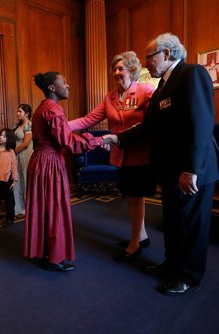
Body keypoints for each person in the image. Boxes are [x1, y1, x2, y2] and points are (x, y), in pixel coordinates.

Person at [104, 33, 219, 296]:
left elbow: (202, 123)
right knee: (173, 221)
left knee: (191, 223)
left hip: (192, 169)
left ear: (166, 55)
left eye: (149, 57)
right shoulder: (162, 87)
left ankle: (189, 275)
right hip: (169, 171)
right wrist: (118, 138)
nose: (146, 64)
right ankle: (172, 264)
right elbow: (148, 126)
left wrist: (191, 169)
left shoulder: (192, 74)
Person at [68, 51, 155, 262]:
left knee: (135, 197)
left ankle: (135, 243)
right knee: (130, 197)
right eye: (114, 69)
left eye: (120, 68)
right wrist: (60, 126)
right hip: (120, 156)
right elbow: (88, 119)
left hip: (140, 154)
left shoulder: (146, 90)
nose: (116, 72)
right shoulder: (110, 97)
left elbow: (153, 122)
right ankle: (141, 236)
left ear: (132, 69)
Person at [24, 72, 104, 272]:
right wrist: (98, 140)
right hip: (50, 163)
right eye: (63, 83)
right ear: (52, 87)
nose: (68, 86)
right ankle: (54, 258)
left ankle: (45, 252)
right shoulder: (53, 109)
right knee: (55, 209)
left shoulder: (43, 107)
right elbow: (68, 142)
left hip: (40, 161)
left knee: (44, 209)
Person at [13, 104, 34, 216]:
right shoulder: (18, 125)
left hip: (26, 154)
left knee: (26, 179)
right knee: (18, 179)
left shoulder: (29, 125)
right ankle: (19, 207)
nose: (18, 113)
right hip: (17, 155)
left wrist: (13, 152)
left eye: (20, 112)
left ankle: (29, 207)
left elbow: (25, 143)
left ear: (27, 113)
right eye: (17, 111)